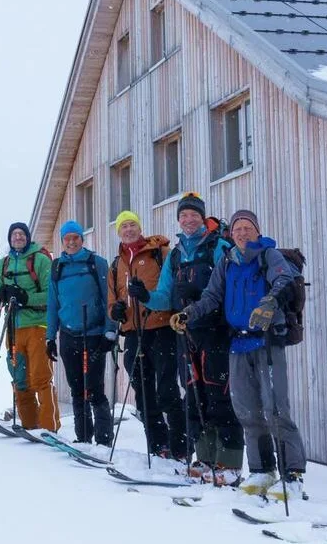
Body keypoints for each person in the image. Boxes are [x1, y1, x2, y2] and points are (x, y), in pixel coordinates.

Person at [178, 209, 306, 498]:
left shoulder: (268, 255)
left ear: (257, 231)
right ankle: (262, 471)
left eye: (248, 228)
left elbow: (284, 281)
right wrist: (189, 313)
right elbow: (212, 296)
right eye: (237, 229)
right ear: (231, 234)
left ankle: (292, 475)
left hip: (267, 341)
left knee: (275, 408)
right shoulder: (228, 261)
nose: (242, 233)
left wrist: (270, 302)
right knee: (246, 410)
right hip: (238, 343)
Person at [133, 193, 246, 486]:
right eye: (183, 216)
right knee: (195, 398)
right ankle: (205, 458)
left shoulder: (219, 247)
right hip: (186, 332)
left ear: (202, 217)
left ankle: (229, 461)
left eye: (193, 215)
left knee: (219, 395)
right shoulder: (176, 254)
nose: (188, 219)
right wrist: (145, 297)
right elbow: (165, 296)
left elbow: (229, 288)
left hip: (216, 331)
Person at [105, 210, 185, 460]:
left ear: (140, 228)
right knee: (143, 393)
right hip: (133, 333)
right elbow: (111, 300)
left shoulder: (160, 254)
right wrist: (115, 311)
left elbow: (171, 291)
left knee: (167, 390)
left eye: (132, 225)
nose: (128, 230)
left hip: (161, 329)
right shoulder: (116, 264)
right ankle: (158, 445)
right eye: (123, 227)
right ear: (118, 232)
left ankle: (181, 447)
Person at [46, 220, 117, 445]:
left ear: (82, 239)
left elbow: (109, 299)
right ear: (62, 242)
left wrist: (110, 332)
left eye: (75, 237)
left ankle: (104, 440)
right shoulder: (57, 267)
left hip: (94, 334)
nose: (71, 242)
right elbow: (52, 304)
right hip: (68, 336)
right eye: (67, 239)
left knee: (94, 388)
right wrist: (50, 337)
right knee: (77, 389)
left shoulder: (97, 263)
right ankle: (83, 437)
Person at [0, 222, 59, 431]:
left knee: (40, 378)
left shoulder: (40, 259)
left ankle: (50, 428)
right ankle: (30, 426)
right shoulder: (3, 264)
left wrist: (25, 297)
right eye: (14, 234)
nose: (18, 237)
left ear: (28, 237)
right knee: (19, 379)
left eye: (22, 234)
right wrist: (2, 295)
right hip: (12, 328)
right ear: (10, 238)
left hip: (37, 325)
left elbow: (51, 295)